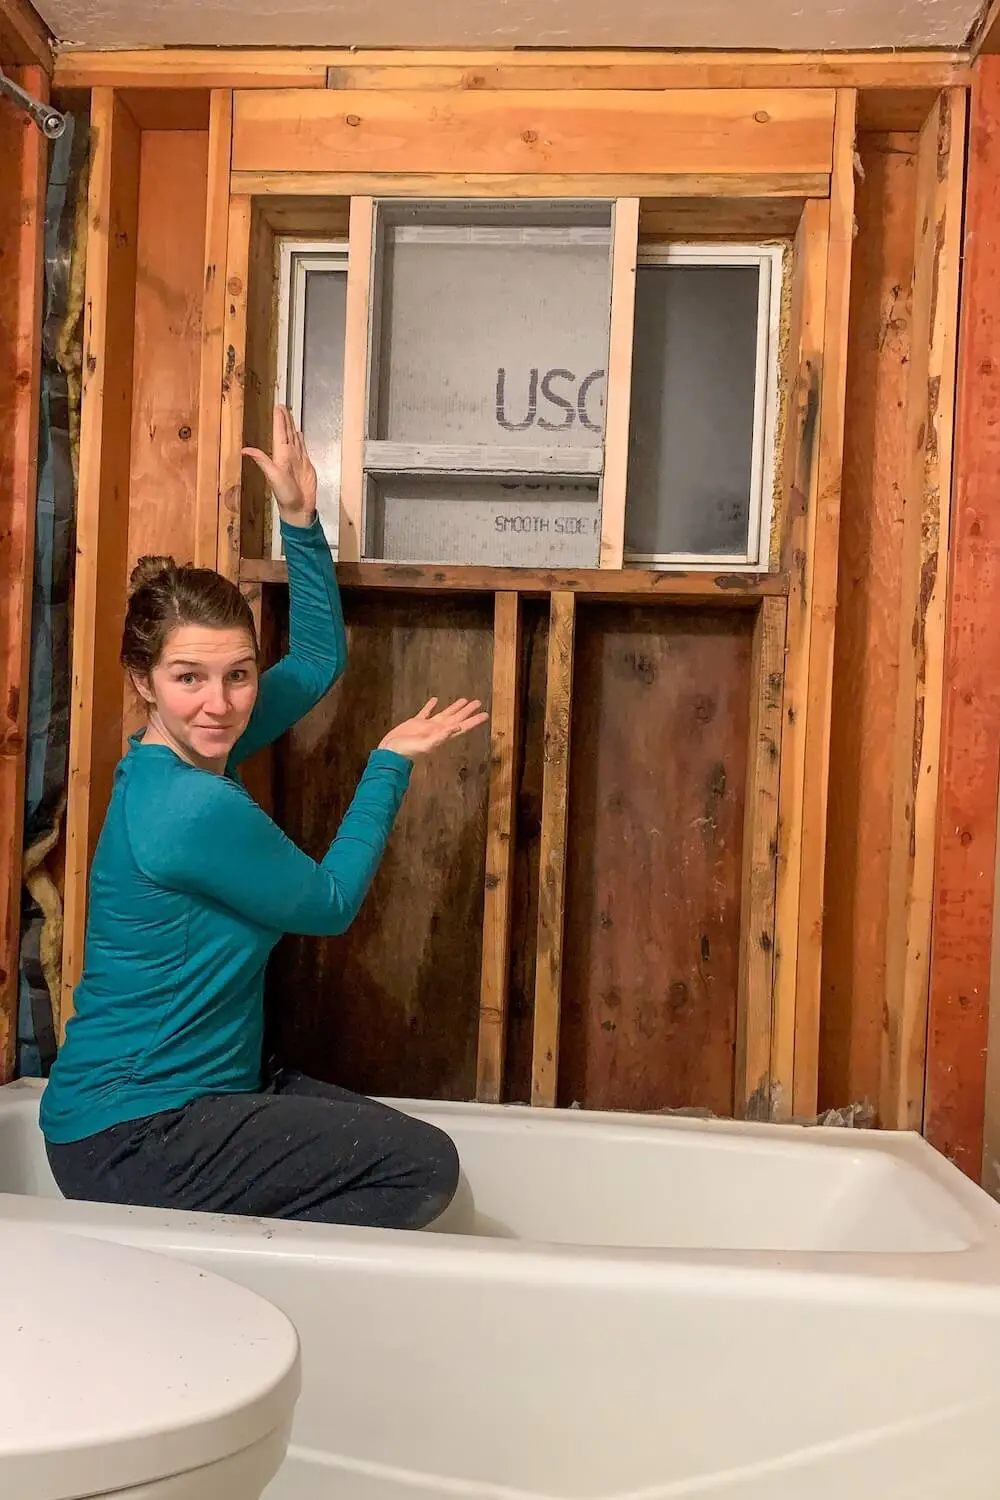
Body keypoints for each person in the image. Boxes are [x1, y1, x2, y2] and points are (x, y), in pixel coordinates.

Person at [40, 406, 488, 1229]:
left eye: (238, 675)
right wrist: (388, 764)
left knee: (396, 1150)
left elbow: (316, 660)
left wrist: (298, 519)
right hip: (135, 1133)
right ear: (142, 681)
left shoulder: (199, 754)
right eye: (189, 678)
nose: (220, 704)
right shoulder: (187, 806)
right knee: (424, 1166)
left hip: (203, 1093)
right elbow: (328, 903)